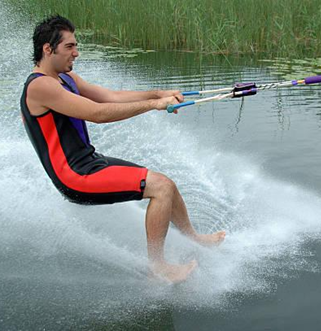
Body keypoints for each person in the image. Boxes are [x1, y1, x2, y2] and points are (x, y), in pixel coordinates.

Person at [20, 15, 225, 283]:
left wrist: (157, 94)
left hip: (90, 162)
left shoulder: (66, 78)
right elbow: (98, 113)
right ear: (48, 49)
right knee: (160, 188)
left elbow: (110, 97)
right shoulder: (40, 86)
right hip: (74, 176)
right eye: (70, 46)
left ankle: (194, 238)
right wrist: (153, 106)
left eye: (75, 45)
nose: (76, 52)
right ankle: (158, 266)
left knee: (168, 185)